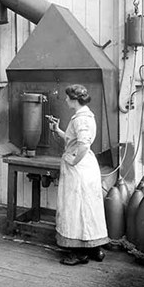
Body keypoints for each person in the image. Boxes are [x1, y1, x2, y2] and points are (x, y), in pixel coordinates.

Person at [49, 84, 108, 265]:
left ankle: (77, 253)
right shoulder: (86, 116)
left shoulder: (80, 119)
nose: (66, 100)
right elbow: (74, 140)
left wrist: (73, 161)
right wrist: (58, 130)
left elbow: (83, 144)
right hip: (87, 167)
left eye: (68, 98)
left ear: (75, 99)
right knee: (89, 208)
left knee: (75, 208)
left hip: (79, 169)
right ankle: (93, 248)